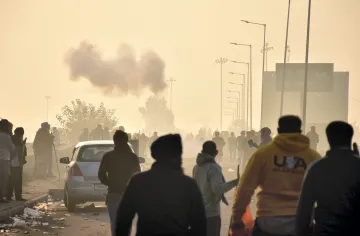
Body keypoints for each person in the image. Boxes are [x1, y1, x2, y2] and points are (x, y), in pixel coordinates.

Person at [230, 115, 321, 236]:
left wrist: (237, 218)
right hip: (301, 222)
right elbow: (326, 192)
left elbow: (245, 188)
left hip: (267, 222)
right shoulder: (313, 157)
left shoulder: (263, 154)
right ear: (300, 132)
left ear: (278, 131)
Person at [116, 134, 207, 236]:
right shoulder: (188, 185)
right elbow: (200, 225)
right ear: (177, 156)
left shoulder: (139, 182)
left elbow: (123, 220)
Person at [296, 121, 360, 236]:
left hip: (324, 231)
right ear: (350, 138)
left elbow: (304, 209)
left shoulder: (317, 168)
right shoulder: (357, 165)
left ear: (329, 139)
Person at [98, 130, 141, 236]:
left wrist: (110, 184)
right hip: (128, 196)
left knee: (115, 224)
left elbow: (101, 175)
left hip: (113, 194)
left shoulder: (108, 156)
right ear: (126, 141)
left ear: (114, 141)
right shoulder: (132, 157)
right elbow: (137, 176)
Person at [193, 141, 239, 236]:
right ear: (216, 152)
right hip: (211, 214)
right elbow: (218, 189)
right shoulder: (213, 168)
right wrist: (236, 182)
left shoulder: (196, 167)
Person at [7, 127, 27, 201]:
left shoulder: (11, 138)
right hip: (17, 164)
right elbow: (21, 152)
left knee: (10, 181)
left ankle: (9, 196)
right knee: (18, 181)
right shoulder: (19, 140)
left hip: (10, 163)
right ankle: (18, 196)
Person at [0, 119, 15, 203]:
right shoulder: (6, 136)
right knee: (3, 179)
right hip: (4, 160)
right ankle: (1, 197)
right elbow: (12, 149)